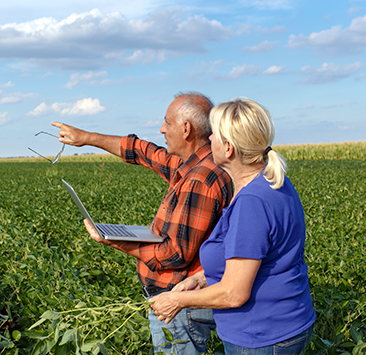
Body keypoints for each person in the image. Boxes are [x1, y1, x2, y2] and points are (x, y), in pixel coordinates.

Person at [52, 92, 233, 355]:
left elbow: (174, 255)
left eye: (167, 123)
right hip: (180, 298)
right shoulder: (192, 164)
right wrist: (88, 138)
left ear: (186, 129)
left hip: (179, 302)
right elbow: (142, 151)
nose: (161, 129)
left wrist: (116, 240)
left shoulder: (200, 179)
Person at [149, 98, 316, 354]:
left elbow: (233, 293)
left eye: (214, 134)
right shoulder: (272, 182)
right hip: (288, 323)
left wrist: (177, 300)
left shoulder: (252, 203)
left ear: (228, 148)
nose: (209, 139)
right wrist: (201, 279)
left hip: (260, 335)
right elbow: (255, 259)